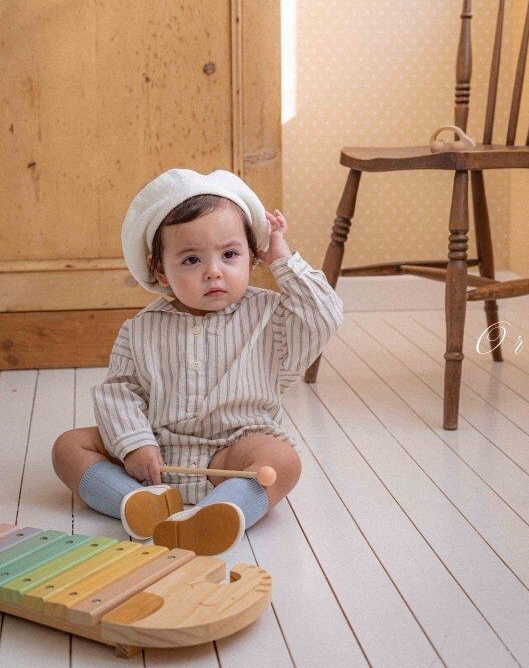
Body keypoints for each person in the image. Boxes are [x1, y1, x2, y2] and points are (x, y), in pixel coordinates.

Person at [51, 168, 343, 554]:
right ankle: (137, 503)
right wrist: (135, 446)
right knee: (69, 447)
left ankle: (216, 513)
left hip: (234, 449)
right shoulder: (140, 330)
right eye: (191, 259)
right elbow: (118, 393)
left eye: (230, 255)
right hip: (156, 450)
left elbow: (324, 316)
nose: (213, 272)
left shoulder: (271, 317)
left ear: (252, 257)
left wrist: (281, 259)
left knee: (282, 461)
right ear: (161, 271)